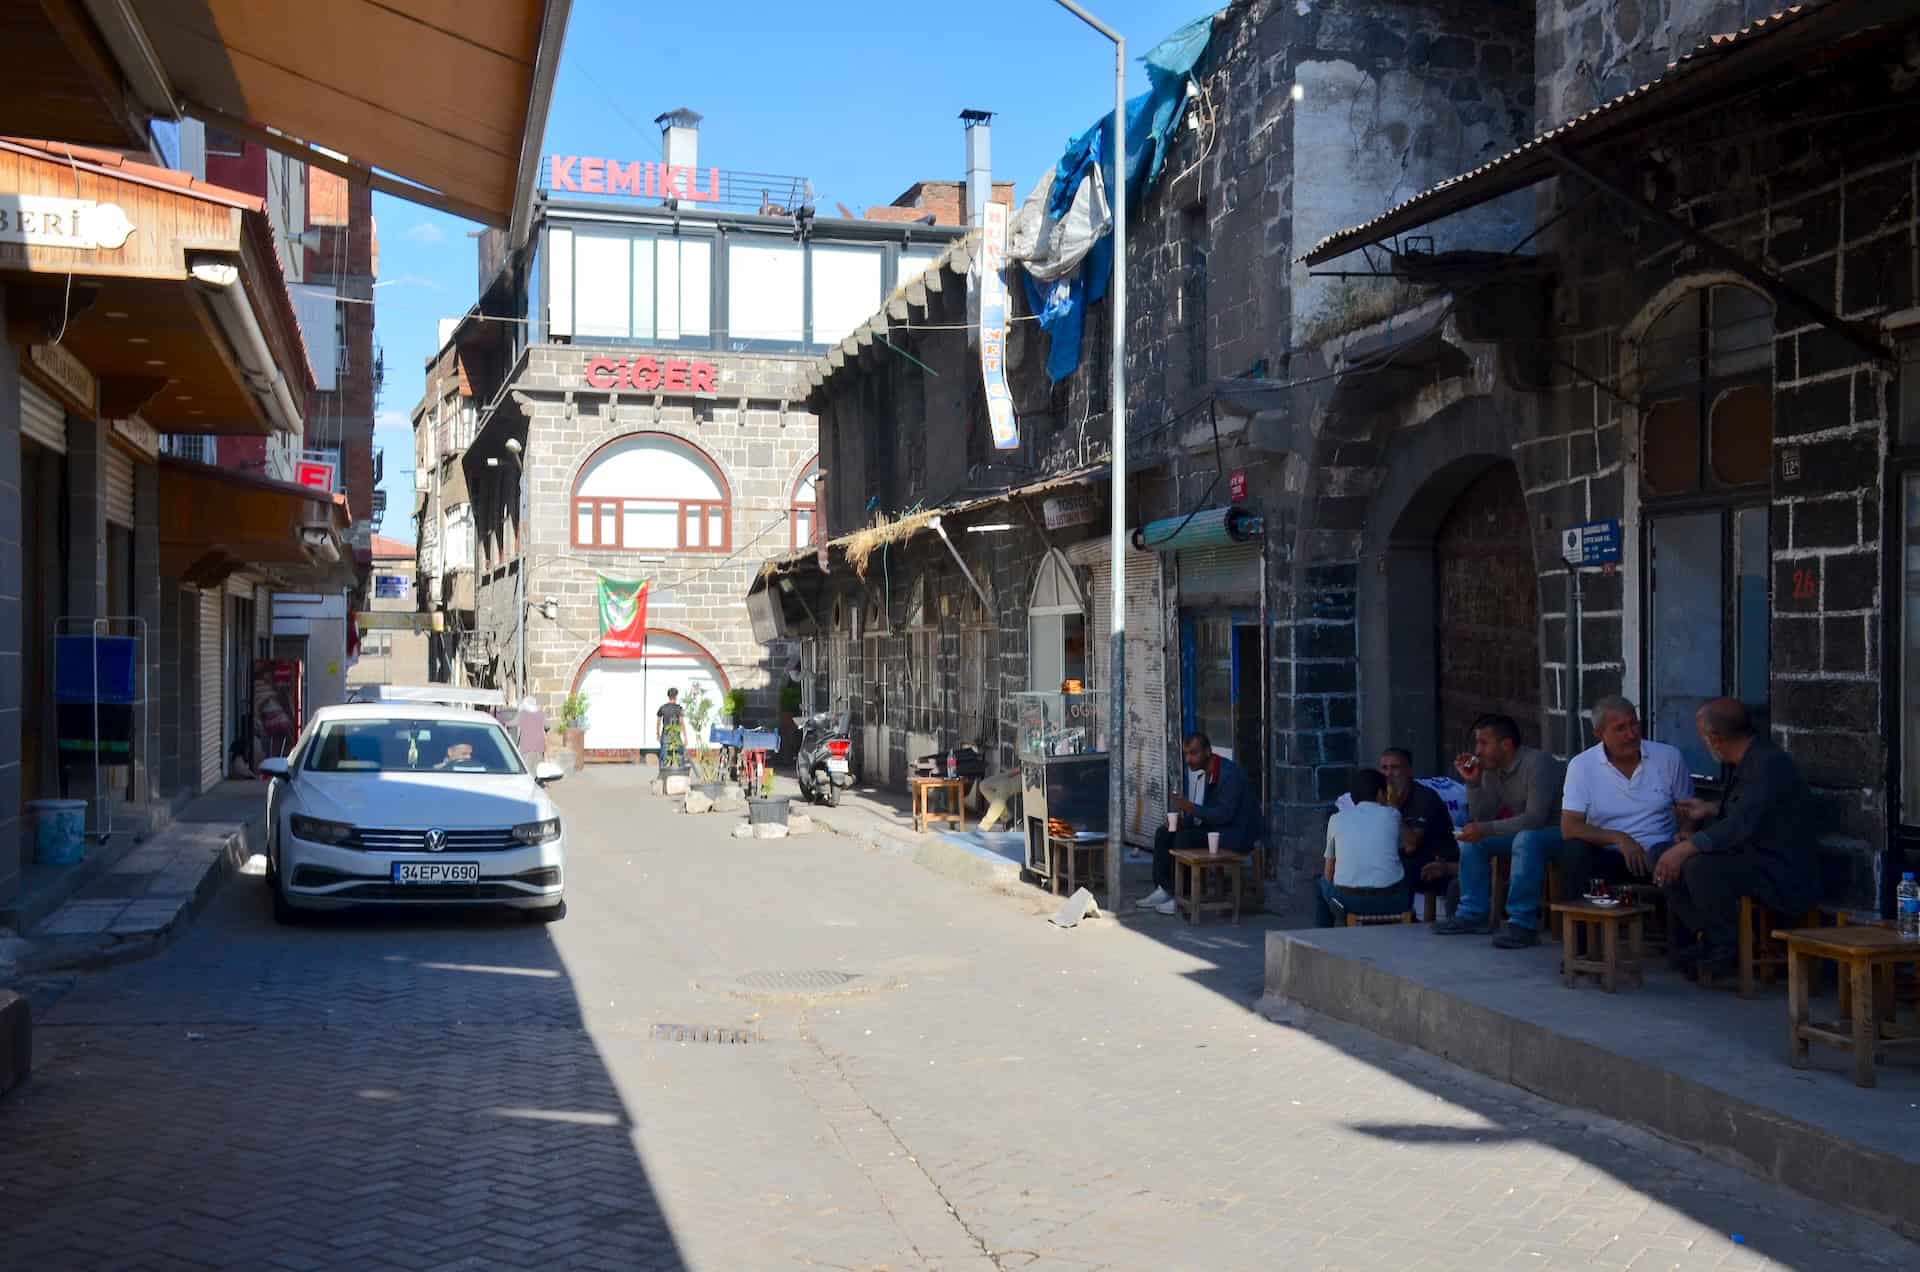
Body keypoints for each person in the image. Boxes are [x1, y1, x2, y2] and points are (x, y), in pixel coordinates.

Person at [1654, 698, 1818, 977]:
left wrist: (1687, 849)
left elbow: (1741, 824)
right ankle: (1706, 932)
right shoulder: (1741, 762)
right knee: (1660, 852)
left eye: (1702, 735)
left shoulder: (1767, 764)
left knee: (1696, 866)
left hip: (1777, 868)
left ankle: (1727, 947)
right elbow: (1741, 811)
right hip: (1748, 855)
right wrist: (1709, 811)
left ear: (1715, 737)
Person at [1434, 713, 1567, 948]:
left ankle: (1522, 924)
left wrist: (1484, 828)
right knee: (1474, 842)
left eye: (1483, 743)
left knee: (1525, 840)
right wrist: (1473, 783)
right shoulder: (1493, 769)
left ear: (1505, 745)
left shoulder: (1538, 763)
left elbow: (1535, 819)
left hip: (1560, 834)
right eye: (1477, 743)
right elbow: (1483, 816)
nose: (1477, 750)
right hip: (1525, 836)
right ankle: (1473, 914)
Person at [1560, 696, 1693, 886]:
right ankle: (1582, 914)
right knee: (1574, 851)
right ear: (1599, 734)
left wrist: (1686, 831)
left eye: (1634, 725)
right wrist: (1620, 838)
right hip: (1610, 853)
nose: (1631, 734)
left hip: (1659, 855)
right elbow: (1570, 827)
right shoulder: (1582, 766)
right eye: (1620, 728)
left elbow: (1688, 810)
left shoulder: (1668, 757)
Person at [1136, 733, 1261, 916]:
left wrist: (1190, 808)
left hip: (1234, 834)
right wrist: (1182, 820)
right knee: (1164, 832)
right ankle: (1164, 888)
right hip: (1215, 830)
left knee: (1184, 838)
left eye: (1193, 753)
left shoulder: (1229, 775)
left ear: (1208, 752)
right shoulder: (1204, 775)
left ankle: (1182, 895)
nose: (1188, 759)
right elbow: (1203, 814)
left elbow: (1224, 815)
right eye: (1186, 754)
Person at [1318, 768, 1411, 926]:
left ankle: (1323, 936)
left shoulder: (1336, 819)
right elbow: (1411, 846)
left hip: (1348, 903)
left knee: (1319, 886)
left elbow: (1329, 871)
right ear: (1382, 794)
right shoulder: (1392, 814)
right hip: (1391, 902)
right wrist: (1394, 804)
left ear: (1353, 797)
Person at [1377, 747, 1457, 913]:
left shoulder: (1424, 797)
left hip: (1436, 862)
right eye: (1384, 768)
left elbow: (1410, 845)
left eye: (1395, 767)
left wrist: (1393, 810)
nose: (1388, 774)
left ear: (1409, 771)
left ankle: (1400, 918)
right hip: (1405, 859)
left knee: (1393, 869)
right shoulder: (1380, 797)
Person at [516, 694, 547, 760]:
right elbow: (547, 726)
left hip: (526, 749)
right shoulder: (541, 714)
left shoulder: (523, 714)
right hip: (539, 748)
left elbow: (513, 723)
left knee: (528, 767)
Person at [657, 688, 685, 761]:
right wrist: (685, 737)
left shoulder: (662, 708)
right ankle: (682, 770)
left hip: (665, 734)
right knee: (680, 755)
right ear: (676, 696)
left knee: (663, 756)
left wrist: (658, 734)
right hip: (676, 735)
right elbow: (682, 723)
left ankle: (662, 771)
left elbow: (658, 722)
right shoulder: (679, 708)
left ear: (668, 696)